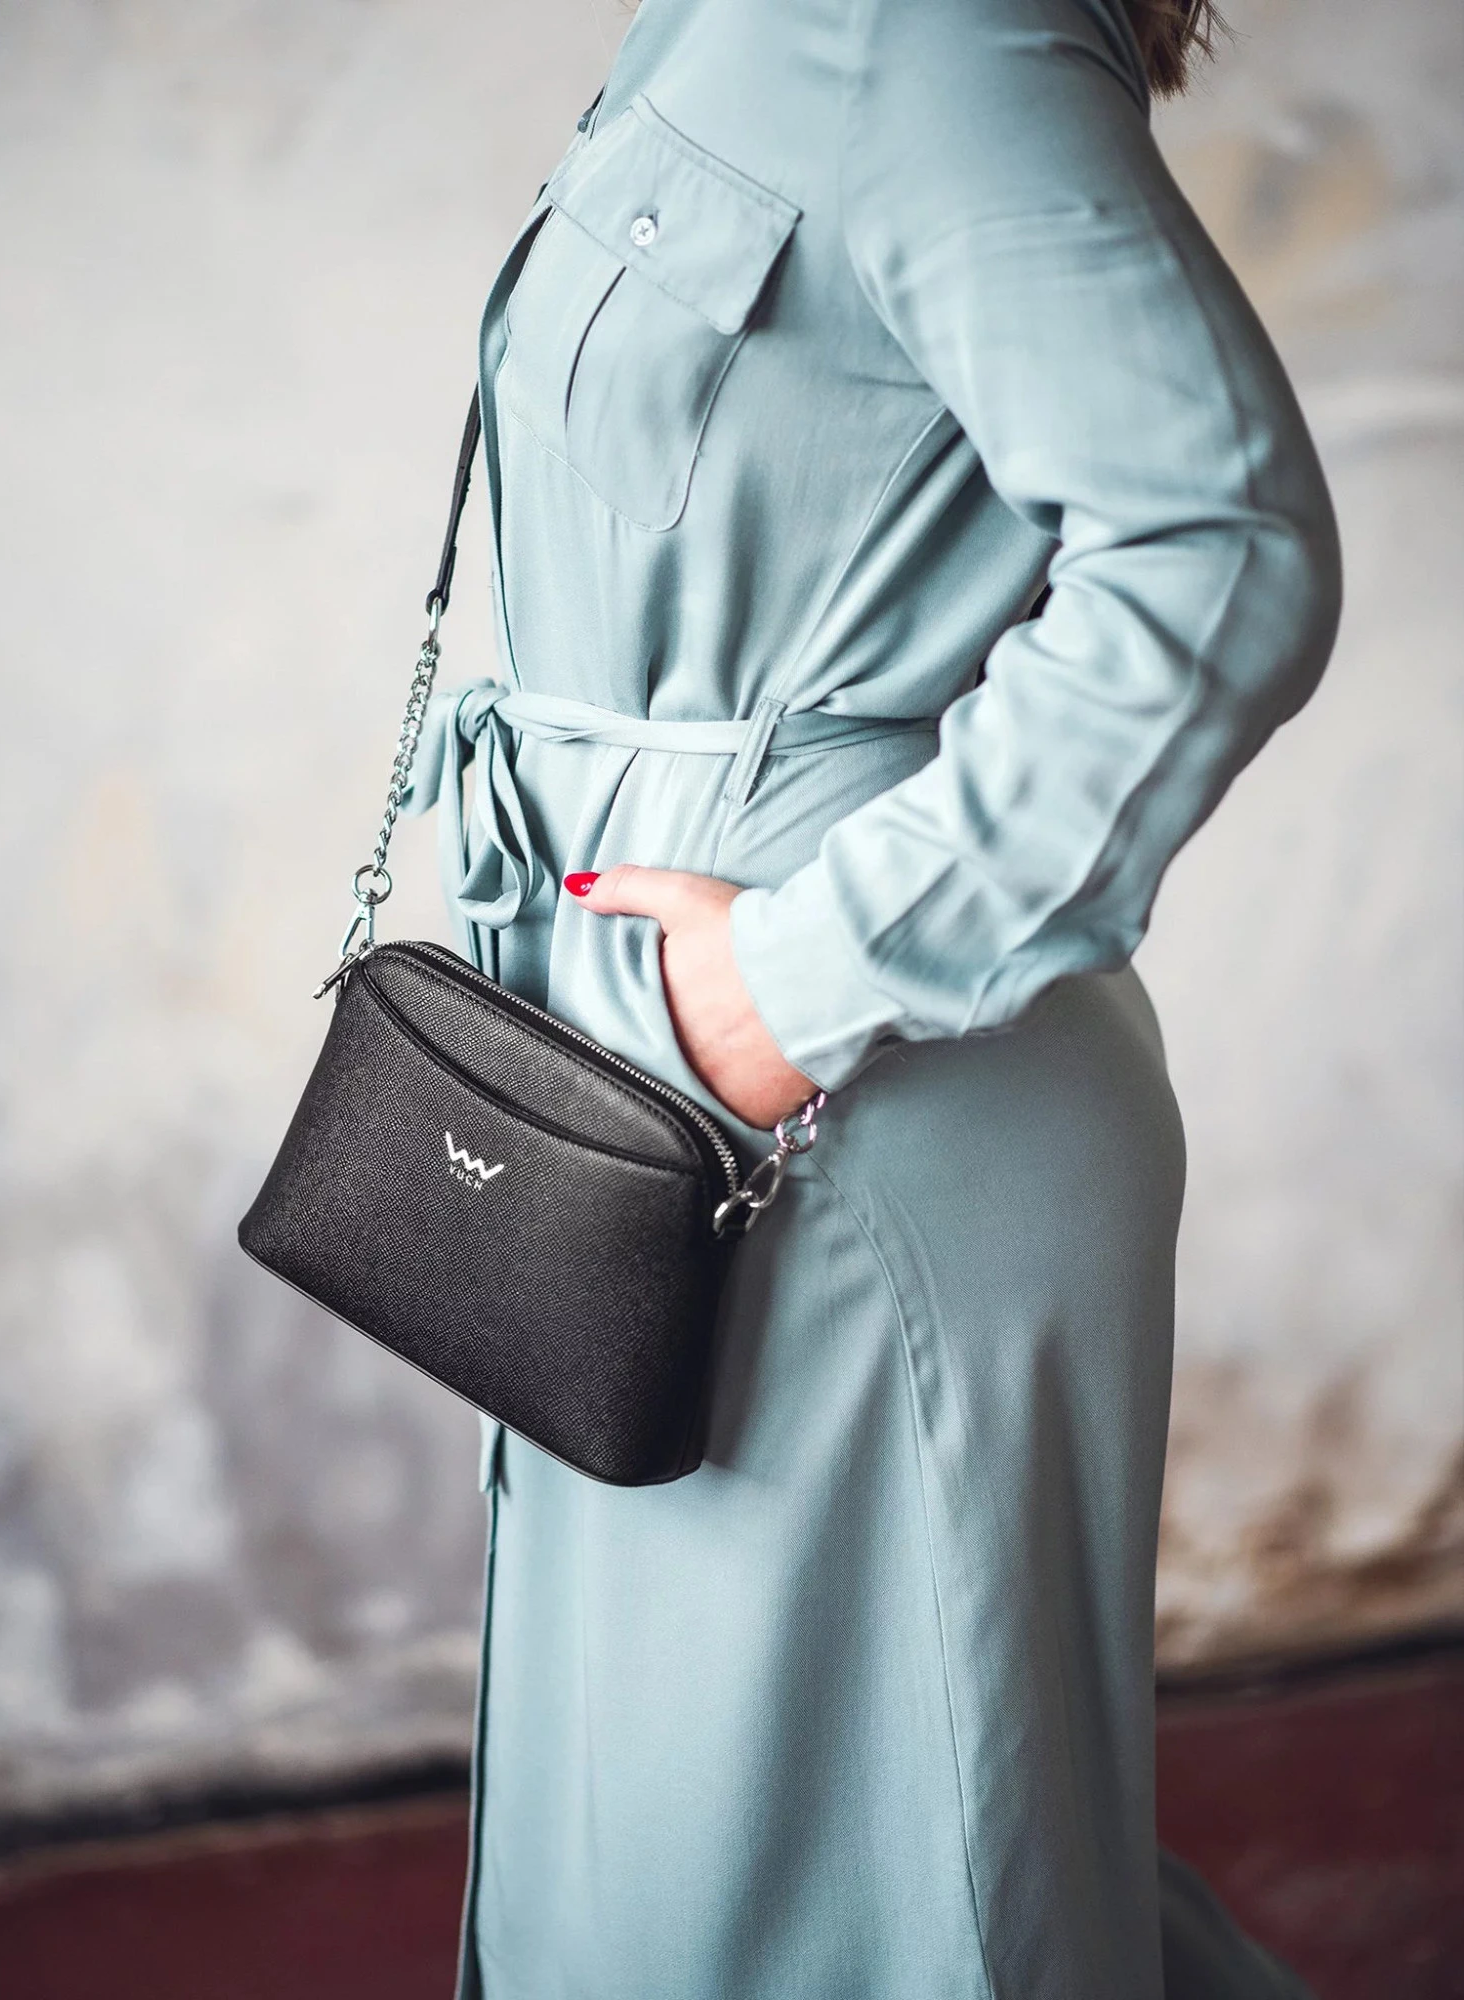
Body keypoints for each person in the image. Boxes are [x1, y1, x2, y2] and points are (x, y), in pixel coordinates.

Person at [401, 0, 1341, 1992]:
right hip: (651, 1085)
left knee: (851, 1907)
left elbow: (1222, 545)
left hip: (839, 1120)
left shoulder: (924, 34)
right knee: (671, 1880)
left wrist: (780, 992)